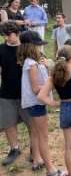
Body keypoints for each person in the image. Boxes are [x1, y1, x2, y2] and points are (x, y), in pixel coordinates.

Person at [17, 30, 66, 176]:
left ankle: (39, 160)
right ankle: (50, 170)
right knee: (43, 137)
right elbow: (35, 88)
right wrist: (52, 85)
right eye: (38, 45)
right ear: (31, 46)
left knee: (38, 134)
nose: (40, 47)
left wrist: (44, 67)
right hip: (36, 103)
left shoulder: (33, 62)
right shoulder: (31, 64)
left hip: (36, 104)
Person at [38, 45, 71, 176]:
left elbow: (41, 96)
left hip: (65, 111)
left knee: (69, 147)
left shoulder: (55, 75)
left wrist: (56, 104)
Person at [0, 22, 32, 166]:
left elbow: (39, 65)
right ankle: (14, 149)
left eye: (9, 35)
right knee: (8, 124)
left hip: (27, 94)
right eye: (4, 35)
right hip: (6, 93)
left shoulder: (26, 48)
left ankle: (34, 148)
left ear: (18, 34)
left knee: (31, 123)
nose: (6, 38)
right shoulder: (0, 49)